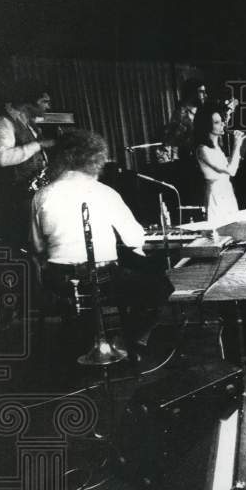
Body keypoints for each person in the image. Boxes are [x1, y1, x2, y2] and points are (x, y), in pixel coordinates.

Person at [30, 129, 171, 354]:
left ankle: (79, 339)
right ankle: (128, 339)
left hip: (59, 282)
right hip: (102, 278)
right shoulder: (106, 193)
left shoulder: (41, 196)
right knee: (160, 285)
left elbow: (37, 247)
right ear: (95, 159)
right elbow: (134, 238)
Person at [0, 83, 56, 242]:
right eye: (44, 101)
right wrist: (39, 145)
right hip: (18, 196)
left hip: (32, 195)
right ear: (28, 102)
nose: (48, 106)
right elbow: (2, 158)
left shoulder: (29, 124)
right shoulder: (3, 123)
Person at [194, 107, 246, 227]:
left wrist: (240, 146)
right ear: (207, 126)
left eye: (221, 121)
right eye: (217, 122)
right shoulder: (202, 149)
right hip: (216, 196)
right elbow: (232, 171)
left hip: (227, 192)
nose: (223, 124)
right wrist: (237, 145)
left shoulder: (217, 148)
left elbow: (232, 165)